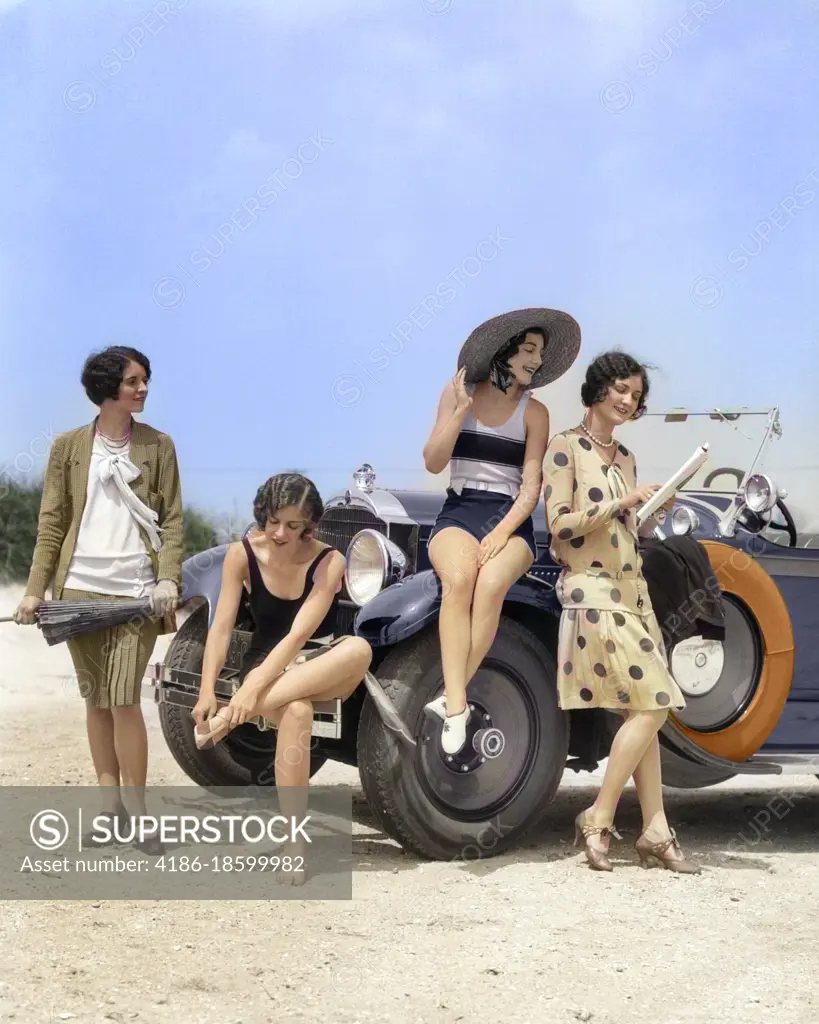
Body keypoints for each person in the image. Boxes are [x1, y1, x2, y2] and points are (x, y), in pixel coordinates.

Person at [13, 346, 184, 854]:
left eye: (146, 380)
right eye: (134, 381)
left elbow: (171, 519)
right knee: (96, 703)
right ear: (109, 388)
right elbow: (51, 524)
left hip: (137, 594)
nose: (144, 388)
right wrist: (34, 590)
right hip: (78, 591)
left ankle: (140, 816)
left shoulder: (159, 446)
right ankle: (110, 812)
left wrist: (168, 578)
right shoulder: (68, 447)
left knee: (125, 700)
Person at [543, 350, 700, 873]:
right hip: (592, 590)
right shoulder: (564, 448)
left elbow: (627, 532)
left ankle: (655, 829)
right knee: (656, 702)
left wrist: (651, 514)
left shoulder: (627, 457)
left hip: (634, 593)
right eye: (620, 389)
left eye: (636, 394)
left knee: (643, 710)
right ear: (597, 389)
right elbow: (560, 526)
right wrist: (621, 501)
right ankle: (599, 814)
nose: (628, 400)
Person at [191, 472, 372, 882]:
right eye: (272, 521)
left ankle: (230, 718)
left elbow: (299, 636)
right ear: (262, 515)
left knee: (360, 650)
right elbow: (220, 629)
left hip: (317, 660)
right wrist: (206, 691)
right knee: (297, 713)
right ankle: (294, 843)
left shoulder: (331, 561)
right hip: (264, 666)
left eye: (292, 525)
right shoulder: (242, 554)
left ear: (310, 524)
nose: (278, 532)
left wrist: (248, 692)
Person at [421, 307, 581, 755]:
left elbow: (532, 490)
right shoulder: (459, 395)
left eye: (540, 352)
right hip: (459, 510)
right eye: (529, 350)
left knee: (490, 583)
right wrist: (459, 413)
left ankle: (447, 697)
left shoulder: (537, 413)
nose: (535, 360)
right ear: (502, 352)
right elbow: (433, 461)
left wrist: (501, 533)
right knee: (459, 580)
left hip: (510, 519)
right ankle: (456, 707)